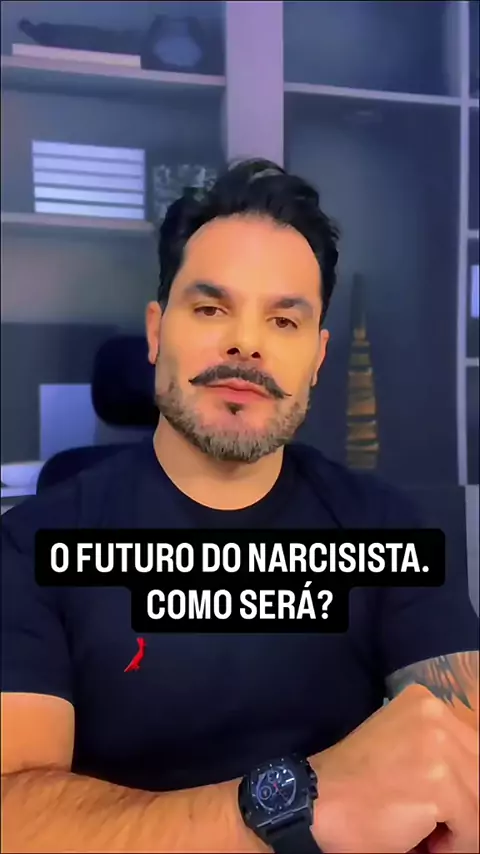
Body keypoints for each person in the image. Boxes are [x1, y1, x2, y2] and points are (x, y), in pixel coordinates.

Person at [1, 159, 478, 854]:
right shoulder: (29, 547)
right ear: (156, 332)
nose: (247, 343)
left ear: (317, 358)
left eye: (284, 320)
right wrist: (293, 808)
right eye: (211, 309)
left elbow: (464, 770)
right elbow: (11, 815)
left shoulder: (390, 531)